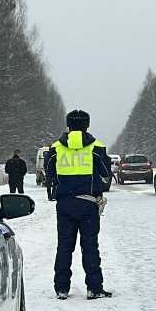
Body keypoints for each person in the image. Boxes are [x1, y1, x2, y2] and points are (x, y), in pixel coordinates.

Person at [44, 109, 113, 300]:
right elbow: (106, 171)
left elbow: (49, 172)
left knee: (64, 247)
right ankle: (94, 288)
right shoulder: (96, 147)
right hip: (88, 204)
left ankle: (61, 289)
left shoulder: (56, 147)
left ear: (68, 125)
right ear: (87, 125)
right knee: (90, 246)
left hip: (65, 204)